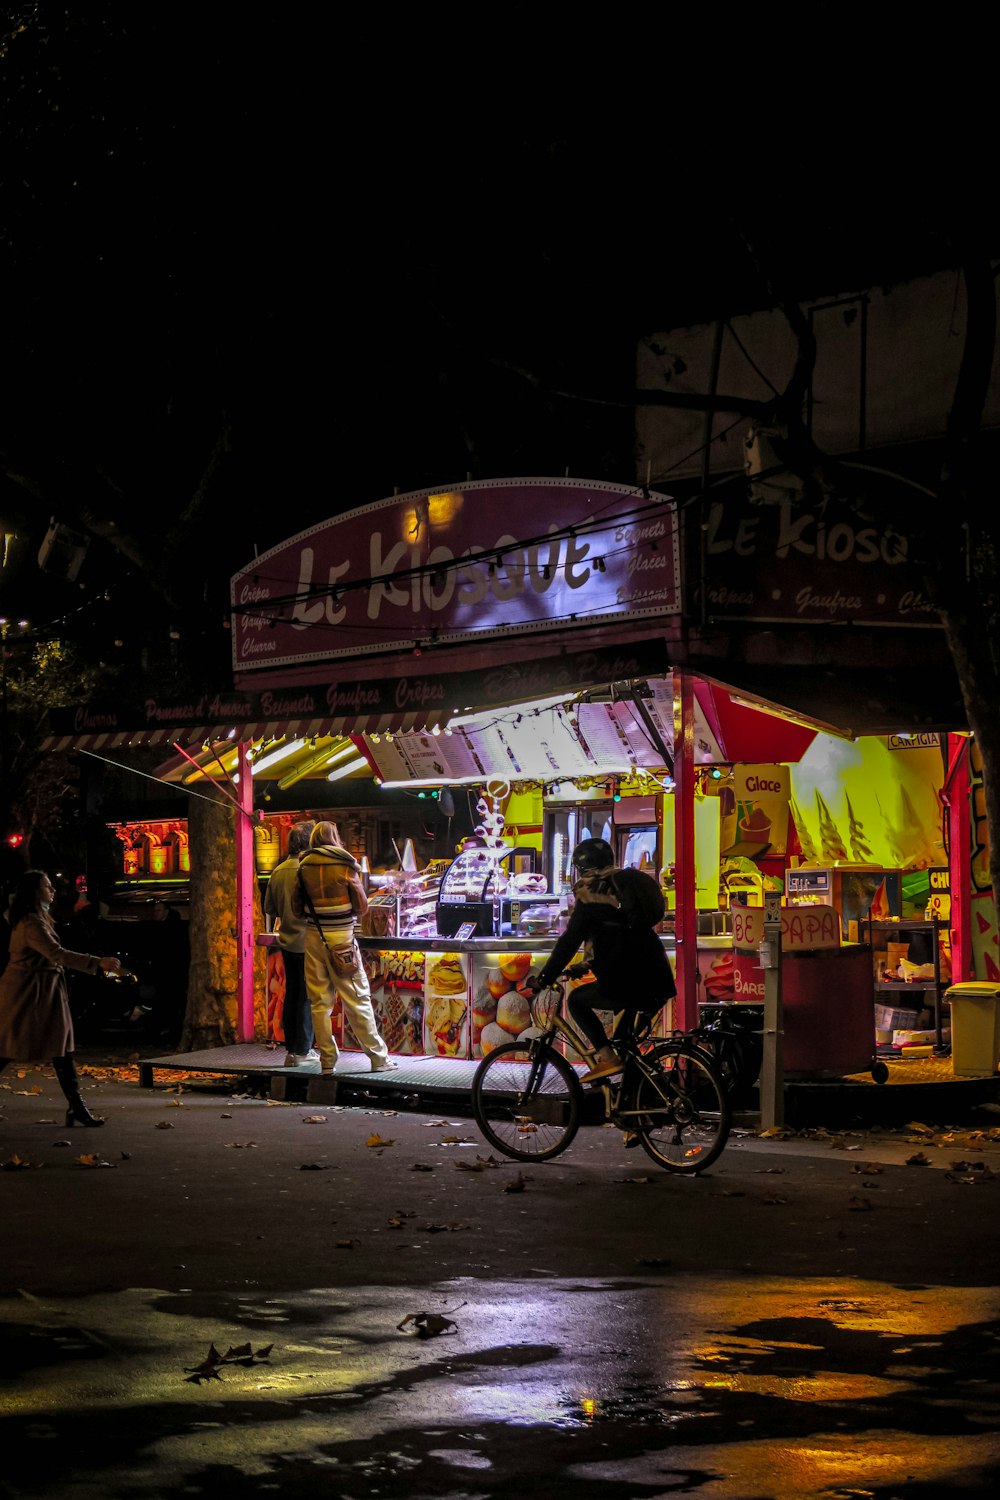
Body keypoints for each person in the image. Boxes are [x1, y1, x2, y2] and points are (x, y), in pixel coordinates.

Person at [526, 838, 675, 1083]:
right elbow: (615, 936)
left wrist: (545, 977)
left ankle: (606, 1058)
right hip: (657, 974)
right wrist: (585, 965)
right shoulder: (622, 884)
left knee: (576, 1001)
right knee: (626, 1047)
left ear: (580, 867)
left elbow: (569, 941)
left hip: (627, 978)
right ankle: (636, 1105)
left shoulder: (591, 892)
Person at [0, 869, 122, 1126]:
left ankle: (77, 1107)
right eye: (47, 886)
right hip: (28, 993)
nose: (53, 890)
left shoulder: (39, 918)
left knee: (61, 1049)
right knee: (9, 1046)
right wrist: (97, 962)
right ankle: (77, 1108)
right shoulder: (31, 922)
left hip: (43, 991)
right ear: (34, 892)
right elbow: (56, 953)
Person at [292, 821, 396, 1076]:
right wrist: (356, 887)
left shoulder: (303, 866)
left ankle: (328, 1061)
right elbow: (361, 908)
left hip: (314, 939)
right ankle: (378, 1058)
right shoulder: (346, 863)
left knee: (319, 1003)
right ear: (335, 837)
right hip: (342, 941)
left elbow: (296, 908)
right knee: (357, 1000)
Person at [264, 819, 318, 1067]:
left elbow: (270, 909)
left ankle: (291, 1049)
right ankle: (304, 1050)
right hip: (309, 941)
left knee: (292, 993)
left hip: (286, 941)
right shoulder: (309, 870)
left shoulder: (277, 871)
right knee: (306, 997)